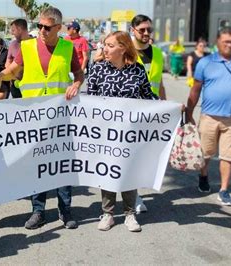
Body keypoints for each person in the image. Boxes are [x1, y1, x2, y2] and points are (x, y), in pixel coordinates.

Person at [0, 6, 84, 230]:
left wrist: (77, 84)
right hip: (33, 119)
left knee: (62, 166)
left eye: (47, 27)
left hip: (61, 118)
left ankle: (65, 209)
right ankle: (38, 211)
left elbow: (79, 74)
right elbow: (13, 69)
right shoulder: (27, 46)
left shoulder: (67, 47)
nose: (41, 30)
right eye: (39, 26)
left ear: (59, 28)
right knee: (37, 166)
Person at [88, 31, 159, 232]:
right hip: (105, 133)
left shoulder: (137, 70)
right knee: (107, 171)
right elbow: (90, 99)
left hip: (130, 133)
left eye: (110, 45)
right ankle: (108, 214)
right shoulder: (98, 69)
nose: (105, 49)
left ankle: (130, 214)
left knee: (128, 172)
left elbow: (148, 96)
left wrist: (169, 108)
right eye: (105, 45)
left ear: (123, 47)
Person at [185, 26, 231, 206]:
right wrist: (189, 112)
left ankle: (224, 190)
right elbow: (195, 90)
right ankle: (204, 176)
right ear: (217, 42)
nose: (229, 45)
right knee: (206, 153)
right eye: (226, 42)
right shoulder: (206, 62)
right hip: (209, 117)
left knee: (228, 156)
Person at [130, 14, 167, 213]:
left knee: (144, 155)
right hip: (130, 112)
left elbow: (159, 82)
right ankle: (134, 196)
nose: (146, 33)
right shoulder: (125, 51)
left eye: (149, 30)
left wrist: (166, 105)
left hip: (151, 111)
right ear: (133, 30)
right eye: (142, 29)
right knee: (131, 155)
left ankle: (133, 193)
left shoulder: (159, 53)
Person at [6, 18, 32, 98]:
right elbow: (8, 62)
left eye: (13, 30)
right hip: (15, 86)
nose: (12, 33)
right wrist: (11, 75)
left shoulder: (35, 44)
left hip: (31, 86)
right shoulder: (12, 45)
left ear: (20, 29)